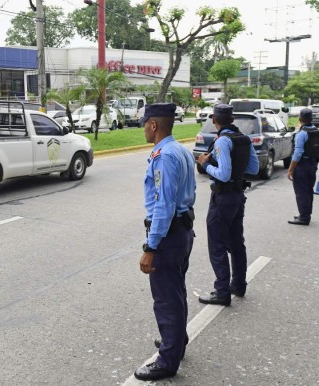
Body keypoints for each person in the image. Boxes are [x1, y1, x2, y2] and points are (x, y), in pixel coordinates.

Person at [134, 103, 196, 382]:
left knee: (167, 299)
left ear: (154, 125)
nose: (143, 128)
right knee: (176, 292)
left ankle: (167, 361)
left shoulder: (164, 156)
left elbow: (164, 206)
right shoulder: (181, 149)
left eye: (144, 123)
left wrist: (151, 247)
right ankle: (176, 342)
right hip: (182, 232)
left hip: (169, 236)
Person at [195, 104, 259, 306]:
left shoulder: (222, 141)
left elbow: (223, 174)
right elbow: (254, 168)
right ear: (232, 120)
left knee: (217, 245)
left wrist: (206, 164)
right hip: (238, 196)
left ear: (214, 119)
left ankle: (222, 291)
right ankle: (238, 285)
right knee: (236, 243)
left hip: (223, 198)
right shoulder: (244, 139)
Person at [287, 108, 319, 225]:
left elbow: (298, 153)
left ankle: (304, 217)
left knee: (301, 192)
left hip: (302, 166)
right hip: (312, 164)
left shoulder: (302, 134)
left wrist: (291, 169)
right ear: (312, 119)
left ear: (300, 119)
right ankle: (306, 214)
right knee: (308, 190)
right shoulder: (318, 131)